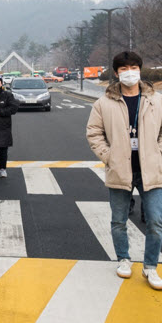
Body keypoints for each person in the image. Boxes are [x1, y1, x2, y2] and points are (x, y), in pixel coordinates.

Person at [87, 51, 162, 290]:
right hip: (120, 170)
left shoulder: (156, 100)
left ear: (140, 69)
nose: (129, 72)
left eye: (133, 68)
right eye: (124, 69)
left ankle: (150, 266)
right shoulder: (104, 103)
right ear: (117, 73)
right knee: (118, 220)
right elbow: (94, 133)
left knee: (156, 221)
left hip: (151, 169)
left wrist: (158, 153)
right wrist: (109, 157)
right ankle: (124, 259)